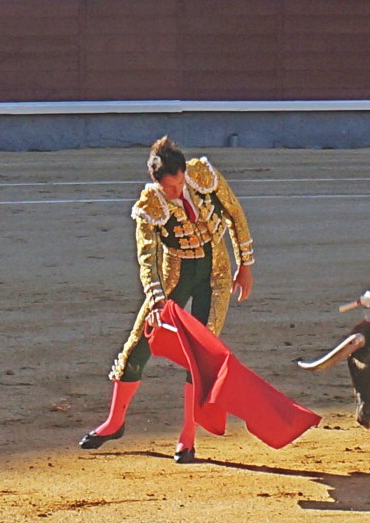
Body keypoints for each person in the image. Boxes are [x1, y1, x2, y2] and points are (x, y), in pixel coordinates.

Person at [80, 137, 255, 465]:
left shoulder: (203, 174)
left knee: (200, 354)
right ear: (156, 182)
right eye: (169, 188)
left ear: (184, 172)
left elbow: (235, 213)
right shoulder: (149, 205)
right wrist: (157, 299)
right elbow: (147, 257)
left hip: (215, 274)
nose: (176, 192)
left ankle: (187, 438)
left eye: (178, 185)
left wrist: (246, 265)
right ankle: (114, 422)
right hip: (175, 273)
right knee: (138, 345)